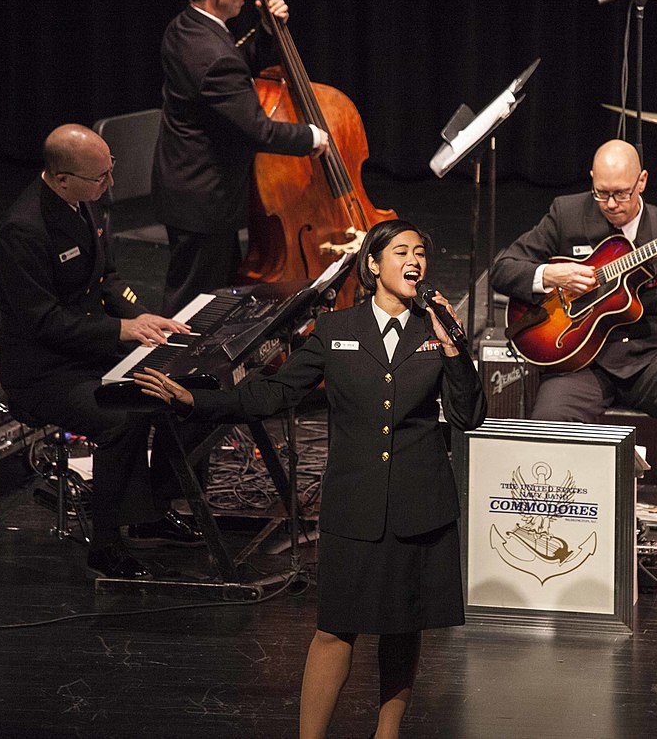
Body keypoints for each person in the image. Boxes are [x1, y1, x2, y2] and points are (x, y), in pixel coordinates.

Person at [135, 219, 486, 739]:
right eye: (401, 251)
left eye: (420, 252)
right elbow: (273, 395)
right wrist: (195, 398)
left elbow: (468, 416)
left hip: (420, 503)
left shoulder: (436, 333)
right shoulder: (337, 330)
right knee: (334, 628)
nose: (414, 261)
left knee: (404, 627)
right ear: (372, 264)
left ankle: (386, 735)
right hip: (354, 503)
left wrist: (455, 348)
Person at [489, 139, 657, 566]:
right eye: (603, 193)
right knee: (549, 419)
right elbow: (504, 268)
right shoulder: (566, 213)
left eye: (622, 193)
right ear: (593, 182)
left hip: (651, 354)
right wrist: (548, 274)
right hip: (579, 358)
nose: (611, 204)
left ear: (643, 182)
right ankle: (557, 524)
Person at [0, 124, 204, 580]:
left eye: (112, 171)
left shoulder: (84, 202)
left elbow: (109, 279)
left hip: (89, 347)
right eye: (100, 178)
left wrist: (142, 317)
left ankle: (151, 510)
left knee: (185, 386)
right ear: (62, 177)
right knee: (120, 418)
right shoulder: (23, 231)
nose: (110, 185)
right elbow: (42, 322)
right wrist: (121, 330)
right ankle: (106, 545)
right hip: (43, 371)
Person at [152, 0, 330, 317]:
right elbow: (258, 131)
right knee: (194, 308)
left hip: (188, 188)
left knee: (208, 299)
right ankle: (174, 373)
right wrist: (313, 136)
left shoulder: (186, 27)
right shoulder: (211, 52)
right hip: (204, 198)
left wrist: (266, 30)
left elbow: (232, 73)